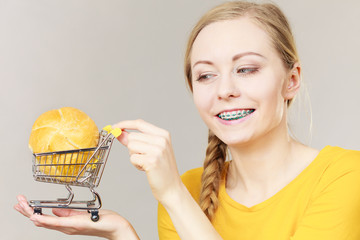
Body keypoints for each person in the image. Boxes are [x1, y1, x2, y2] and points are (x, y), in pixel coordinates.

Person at [14, 1, 360, 239]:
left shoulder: (346, 177)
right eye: (206, 76)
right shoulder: (189, 189)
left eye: (246, 69)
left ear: (292, 80)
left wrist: (173, 195)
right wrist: (122, 231)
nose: (225, 90)